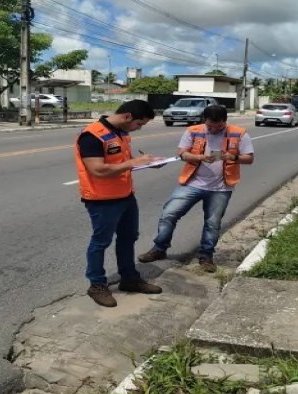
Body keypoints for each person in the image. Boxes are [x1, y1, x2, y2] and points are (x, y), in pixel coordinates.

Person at [138, 104, 254, 272]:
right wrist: (199, 157)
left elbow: (249, 159)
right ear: (204, 120)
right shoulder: (193, 131)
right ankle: (159, 249)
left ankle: (206, 256)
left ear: (225, 121)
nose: (214, 129)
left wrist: (233, 157)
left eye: (218, 126)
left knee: (212, 223)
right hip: (192, 183)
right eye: (210, 126)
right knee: (169, 213)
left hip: (221, 188)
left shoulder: (239, 133)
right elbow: (182, 153)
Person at [75, 99, 163, 307]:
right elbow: (97, 169)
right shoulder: (92, 135)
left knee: (128, 238)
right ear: (127, 116)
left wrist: (148, 163)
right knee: (100, 242)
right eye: (139, 124)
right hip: (102, 200)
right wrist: (134, 162)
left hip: (125, 196)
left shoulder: (122, 133)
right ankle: (96, 284)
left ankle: (129, 279)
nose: (139, 128)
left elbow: (123, 164)